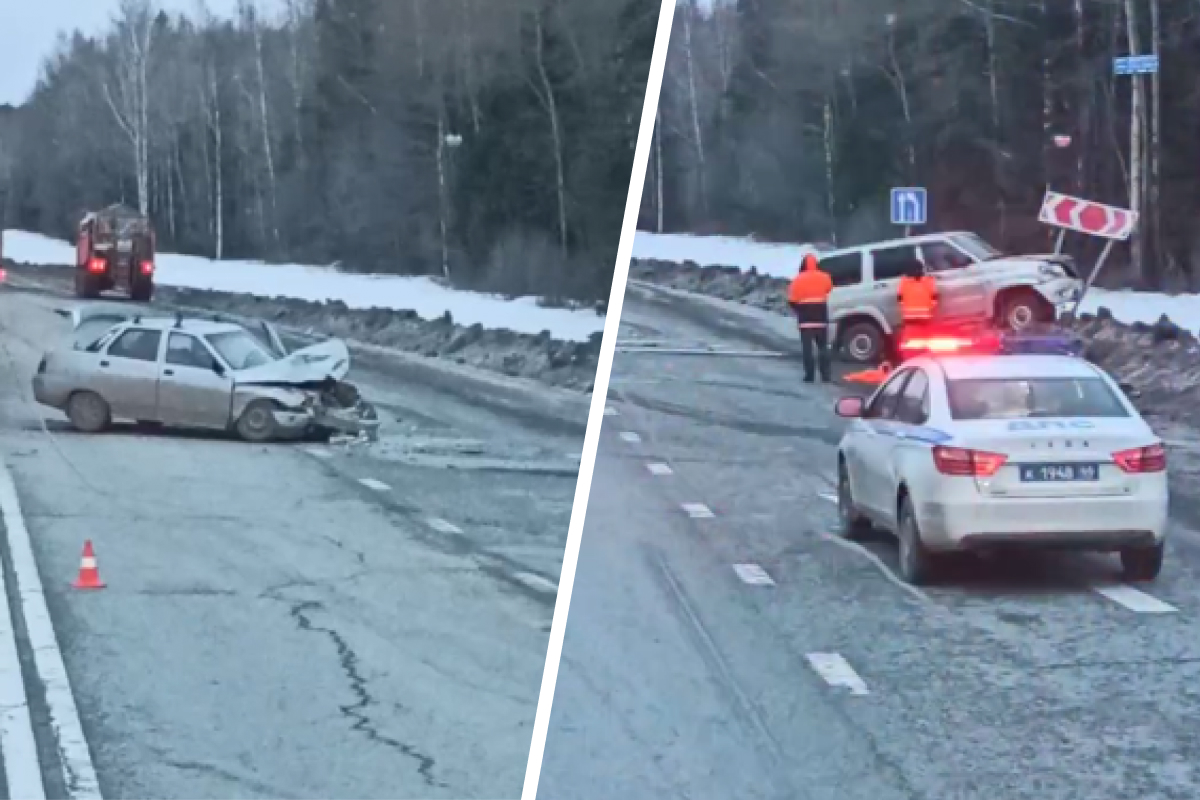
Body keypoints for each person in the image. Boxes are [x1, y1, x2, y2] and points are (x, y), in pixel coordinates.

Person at [787, 253, 834, 383]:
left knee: (807, 349)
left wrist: (799, 310)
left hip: (805, 319)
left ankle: (809, 375)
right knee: (823, 347)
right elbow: (829, 289)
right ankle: (825, 375)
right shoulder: (825, 277)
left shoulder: (797, 279)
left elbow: (792, 300)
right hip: (821, 318)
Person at [897, 259, 939, 337]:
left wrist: (905, 308)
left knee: (911, 339)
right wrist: (930, 308)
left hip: (909, 318)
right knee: (926, 337)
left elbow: (899, 298)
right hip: (925, 317)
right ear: (921, 269)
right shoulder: (928, 281)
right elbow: (935, 298)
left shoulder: (903, 282)